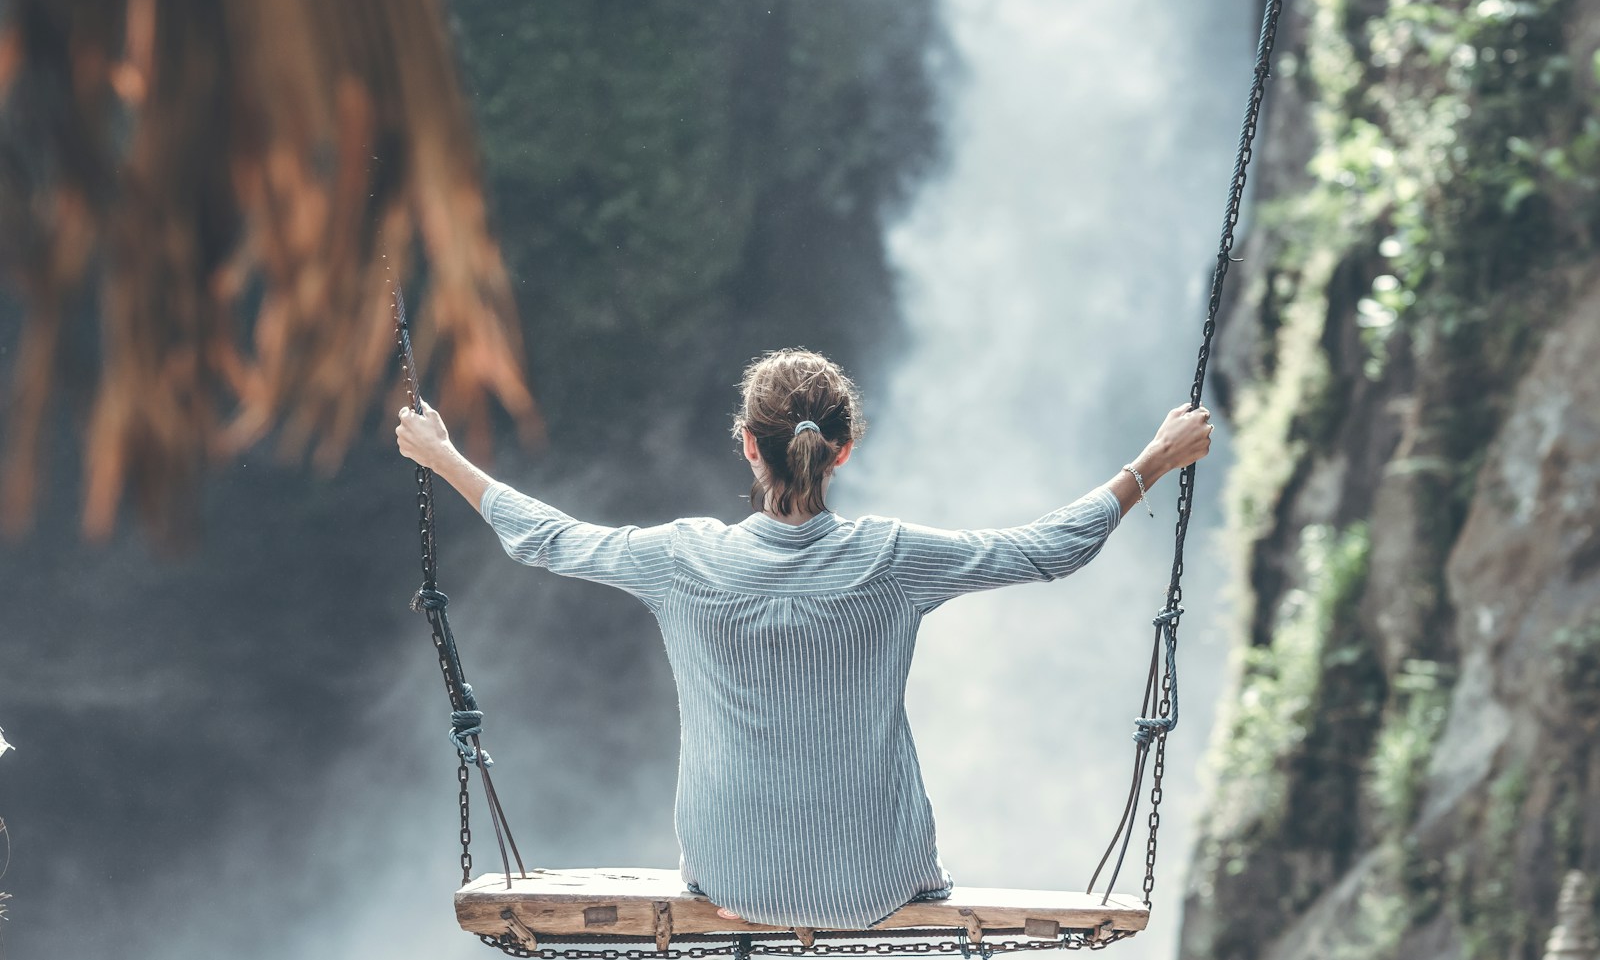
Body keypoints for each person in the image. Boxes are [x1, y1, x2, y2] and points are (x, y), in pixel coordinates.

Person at [395, 348, 1213, 930]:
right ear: (842, 452)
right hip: (881, 883)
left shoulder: (681, 559)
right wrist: (1152, 461)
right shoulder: (896, 558)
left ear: (748, 444)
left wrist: (445, 457)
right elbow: (1047, 550)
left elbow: (548, 538)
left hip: (730, 877)